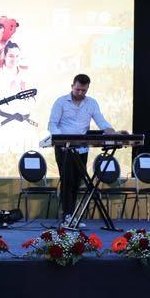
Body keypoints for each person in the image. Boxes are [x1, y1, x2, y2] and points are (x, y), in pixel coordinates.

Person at [48, 74, 118, 226]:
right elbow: (52, 125)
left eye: (83, 91)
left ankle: (72, 217)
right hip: (64, 149)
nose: (80, 93)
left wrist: (108, 129)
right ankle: (67, 216)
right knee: (67, 182)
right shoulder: (61, 102)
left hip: (82, 149)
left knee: (77, 183)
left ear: (87, 89)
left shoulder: (91, 103)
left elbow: (100, 119)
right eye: (78, 89)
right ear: (72, 86)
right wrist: (63, 139)